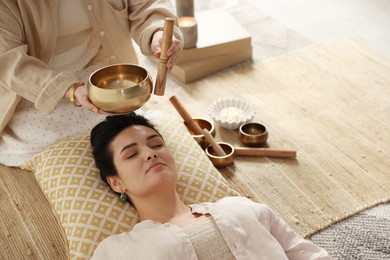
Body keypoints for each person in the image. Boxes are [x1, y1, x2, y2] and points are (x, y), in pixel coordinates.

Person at [89, 113, 334, 259]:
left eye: (156, 145)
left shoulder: (238, 207)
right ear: (116, 182)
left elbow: (308, 255)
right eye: (131, 155)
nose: (150, 154)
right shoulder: (116, 251)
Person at [0, 0, 183, 166]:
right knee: (60, 151)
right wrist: (69, 89)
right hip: (33, 86)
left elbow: (146, 4)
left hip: (97, 66)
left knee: (119, 133)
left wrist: (157, 32)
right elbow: (8, 60)